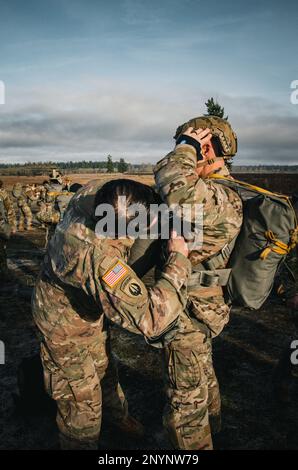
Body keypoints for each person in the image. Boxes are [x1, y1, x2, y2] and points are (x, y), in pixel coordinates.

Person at [32, 178, 191, 450]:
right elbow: (153, 320)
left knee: (104, 368)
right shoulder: (100, 260)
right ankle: (79, 440)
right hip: (64, 326)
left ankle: (117, 418)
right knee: (79, 398)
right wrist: (178, 258)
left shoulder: (95, 194)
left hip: (85, 311)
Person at [154, 115, 243, 450]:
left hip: (191, 311)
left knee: (184, 400)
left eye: (192, 147)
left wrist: (185, 146)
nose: (184, 153)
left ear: (206, 148)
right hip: (201, 305)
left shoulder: (220, 197)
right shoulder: (216, 193)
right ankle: (216, 427)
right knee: (203, 370)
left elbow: (172, 177)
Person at [0, 180, 15, 279]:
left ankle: (4, 272)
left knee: (1, 249)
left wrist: (12, 225)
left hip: (1, 225)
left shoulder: (3, 194)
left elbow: (10, 210)